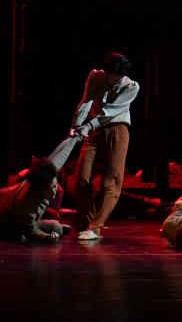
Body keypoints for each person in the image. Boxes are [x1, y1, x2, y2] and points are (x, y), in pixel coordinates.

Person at [68, 52, 139, 242]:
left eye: (116, 78)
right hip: (94, 131)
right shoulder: (95, 76)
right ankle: (87, 222)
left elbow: (111, 111)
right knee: (81, 179)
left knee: (111, 180)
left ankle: (95, 226)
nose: (112, 80)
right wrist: (76, 124)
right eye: (109, 76)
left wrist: (88, 126)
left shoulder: (131, 86)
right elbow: (87, 100)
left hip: (117, 129)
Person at [0, 157, 65, 243]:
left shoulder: (42, 182)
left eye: (55, 186)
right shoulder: (26, 204)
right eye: (48, 189)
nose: (54, 192)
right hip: (1, 225)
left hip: (20, 218)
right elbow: (31, 232)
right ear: (38, 189)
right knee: (21, 237)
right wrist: (47, 237)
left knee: (57, 228)